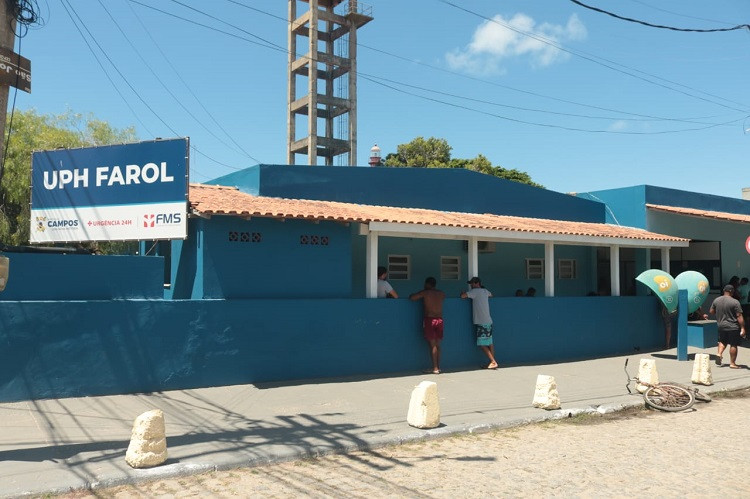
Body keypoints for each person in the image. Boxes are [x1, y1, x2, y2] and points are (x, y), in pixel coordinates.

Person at [409, 277, 446, 374]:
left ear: (427, 284)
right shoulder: (441, 293)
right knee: (438, 345)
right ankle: (439, 367)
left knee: (432, 345)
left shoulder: (425, 293)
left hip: (430, 320)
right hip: (440, 320)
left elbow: (412, 298)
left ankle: (435, 368)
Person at [461, 277, 499, 369]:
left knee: (482, 344)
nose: (471, 285)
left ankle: (493, 362)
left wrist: (462, 292)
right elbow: (491, 295)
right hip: (488, 321)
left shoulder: (475, 292)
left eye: (472, 284)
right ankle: (492, 361)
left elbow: (463, 296)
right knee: (490, 342)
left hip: (482, 322)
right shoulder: (485, 291)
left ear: (477, 283)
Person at [709, 284, 746, 368]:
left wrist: (719, 313)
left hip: (721, 325)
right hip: (733, 326)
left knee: (722, 341)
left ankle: (719, 353)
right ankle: (732, 363)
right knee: (733, 344)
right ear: (731, 291)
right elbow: (739, 316)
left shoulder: (717, 300)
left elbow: (711, 311)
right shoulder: (735, 302)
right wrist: (743, 328)